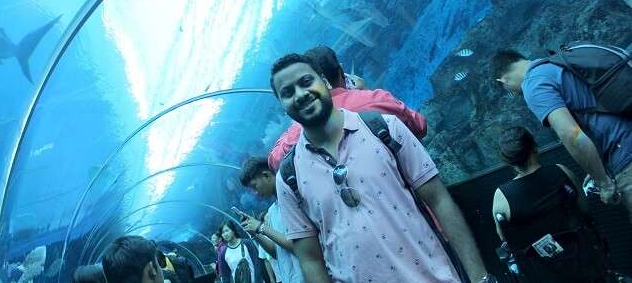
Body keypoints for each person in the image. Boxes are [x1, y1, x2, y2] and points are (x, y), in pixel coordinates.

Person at [269, 53, 494, 283]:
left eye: (306, 82)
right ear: (283, 106)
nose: (300, 94)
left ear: (325, 82)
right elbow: (310, 259)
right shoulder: (289, 177)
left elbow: (439, 200)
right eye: (287, 92)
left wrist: (480, 278)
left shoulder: (384, 128)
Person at [492, 49, 632, 219]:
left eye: (509, 90)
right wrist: (596, 167)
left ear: (503, 80)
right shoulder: (554, 64)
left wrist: (603, 183)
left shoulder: (533, 85)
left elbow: (572, 134)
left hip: (624, 158)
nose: (513, 93)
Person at [268, 45, 427, 170]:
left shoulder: (299, 134)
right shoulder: (375, 99)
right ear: (341, 71)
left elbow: (274, 161)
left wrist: (296, 124)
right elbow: (420, 126)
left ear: (322, 78)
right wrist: (366, 92)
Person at [492, 126, 610, 282]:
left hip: (542, 273)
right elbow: (584, 209)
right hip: (585, 263)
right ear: (534, 146)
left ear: (506, 160)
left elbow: (505, 238)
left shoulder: (501, 196)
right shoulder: (561, 171)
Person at [238, 157, 303, 283]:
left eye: (254, 186)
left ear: (266, 175)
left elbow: (299, 247)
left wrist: (261, 227)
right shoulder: (272, 211)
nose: (255, 193)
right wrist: (255, 233)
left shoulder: (293, 198)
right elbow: (275, 252)